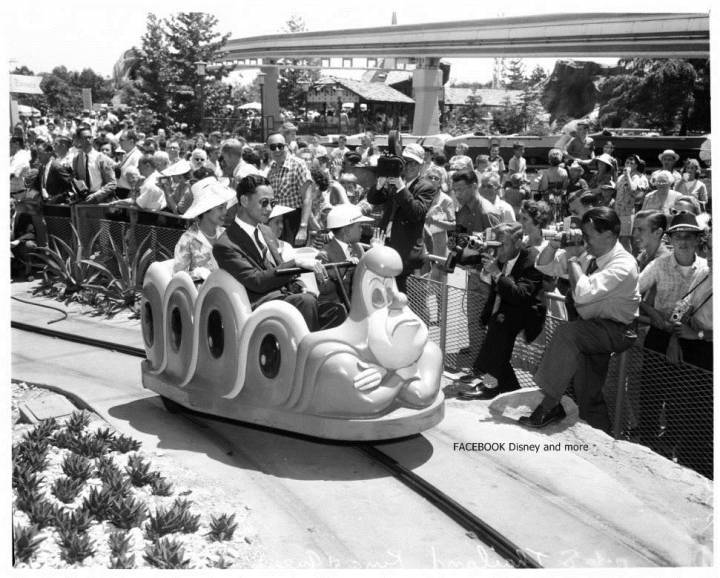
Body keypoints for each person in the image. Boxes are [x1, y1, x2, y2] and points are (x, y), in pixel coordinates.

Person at [522, 207, 639, 432]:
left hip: (616, 330)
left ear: (609, 235)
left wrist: (573, 257)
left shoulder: (624, 264)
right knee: (587, 390)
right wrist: (555, 244)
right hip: (591, 328)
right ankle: (600, 437)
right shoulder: (590, 254)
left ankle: (549, 404)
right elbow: (544, 265)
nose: (584, 239)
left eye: (588, 235)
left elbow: (583, 293)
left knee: (567, 333)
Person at [213, 174, 322, 331]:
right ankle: (307, 354)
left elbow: (278, 266)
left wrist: (300, 285)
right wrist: (296, 262)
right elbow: (256, 281)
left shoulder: (266, 231)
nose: (269, 209)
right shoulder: (225, 244)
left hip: (284, 296)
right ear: (244, 201)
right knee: (306, 302)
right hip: (258, 307)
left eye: (272, 203)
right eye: (264, 203)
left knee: (333, 308)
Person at [456, 222, 546, 399]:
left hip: (527, 311)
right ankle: (507, 388)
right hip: (506, 308)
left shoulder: (532, 259)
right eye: (496, 245)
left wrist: (497, 273)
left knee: (498, 330)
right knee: (497, 340)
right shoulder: (499, 255)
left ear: (518, 243)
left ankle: (492, 385)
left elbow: (520, 295)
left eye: (503, 245)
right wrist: (464, 247)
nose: (499, 251)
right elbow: (461, 260)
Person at [366, 143, 434, 293]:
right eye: (406, 162)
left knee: (401, 297)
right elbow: (373, 199)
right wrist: (380, 183)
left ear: (421, 165)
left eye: (414, 163)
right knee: (381, 292)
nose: (409, 167)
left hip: (405, 251)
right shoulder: (393, 180)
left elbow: (416, 213)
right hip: (383, 243)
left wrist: (401, 187)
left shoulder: (426, 187)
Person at [316, 203, 375, 326]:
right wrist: (346, 268)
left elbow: (368, 280)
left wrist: (374, 254)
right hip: (335, 314)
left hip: (357, 309)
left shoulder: (357, 248)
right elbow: (325, 289)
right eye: (359, 226)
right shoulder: (324, 254)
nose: (361, 229)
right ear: (347, 231)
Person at [173, 177, 235, 282]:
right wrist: (196, 274)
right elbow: (178, 276)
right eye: (220, 208)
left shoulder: (226, 234)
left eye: (225, 207)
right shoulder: (188, 239)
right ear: (206, 210)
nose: (225, 212)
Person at [266, 133, 314, 246]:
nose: (277, 150)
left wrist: (303, 228)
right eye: (273, 147)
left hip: (294, 222)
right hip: (277, 222)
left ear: (286, 146)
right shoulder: (271, 170)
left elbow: (307, 198)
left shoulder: (298, 165)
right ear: (268, 149)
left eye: (280, 146)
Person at [72, 126, 117, 203]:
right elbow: (77, 179)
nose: (88, 140)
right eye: (85, 138)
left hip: (101, 200)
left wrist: (96, 195)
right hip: (84, 199)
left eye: (90, 137)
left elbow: (112, 183)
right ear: (79, 140)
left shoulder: (102, 158)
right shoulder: (76, 159)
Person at [614, 154, 649, 252]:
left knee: (625, 240)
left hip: (628, 213)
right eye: (627, 162)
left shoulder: (638, 177)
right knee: (617, 239)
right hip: (617, 211)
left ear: (636, 165)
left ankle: (630, 261)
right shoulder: (621, 177)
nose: (628, 165)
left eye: (631, 163)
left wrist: (628, 174)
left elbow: (633, 189)